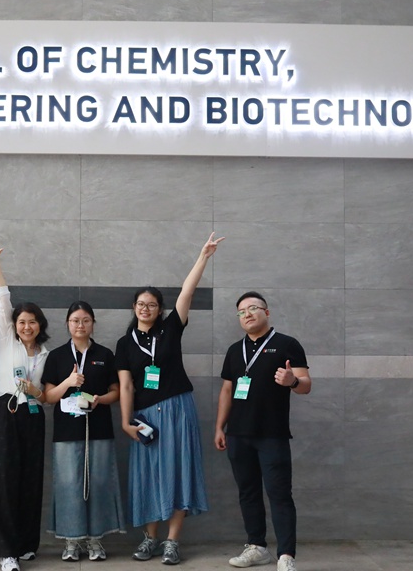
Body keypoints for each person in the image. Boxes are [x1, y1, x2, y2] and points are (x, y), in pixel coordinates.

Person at [115, 232, 225, 565]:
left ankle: (172, 541)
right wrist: (126, 422)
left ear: (160, 309)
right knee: (149, 475)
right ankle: (150, 538)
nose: (145, 308)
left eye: (152, 304)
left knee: (178, 472)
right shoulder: (125, 343)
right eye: (140, 304)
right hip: (145, 417)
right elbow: (126, 386)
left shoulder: (171, 329)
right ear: (134, 308)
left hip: (178, 409)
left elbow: (187, 291)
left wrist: (203, 257)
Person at [215, 292, 311, 571]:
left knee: (279, 493)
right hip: (238, 434)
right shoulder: (235, 350)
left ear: (266, 313)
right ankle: (256, 547)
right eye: (241, 311)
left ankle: (286, 556)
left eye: (253, 308)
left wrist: (292, 381)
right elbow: (227, 390)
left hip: (272, 434)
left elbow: (306, 384)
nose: (247, 314)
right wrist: (220, 427)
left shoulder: (287, 344)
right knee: (248, 492)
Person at [0, 241, 51, 571]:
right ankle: (6, 550)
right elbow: (4, 301)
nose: (26, 326)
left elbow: (45, 394)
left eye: (32, 322)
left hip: (34, 416)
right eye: (22, 321)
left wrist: (37, 391)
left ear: (40, 325)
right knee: (6, 480)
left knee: (30, 479)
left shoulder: (47, 354)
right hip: (7, 412)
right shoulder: (7, 339)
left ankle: (25, 544)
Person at [43, 301, 126, 562]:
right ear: (68, 324)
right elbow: (48, 396)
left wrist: (101, 399)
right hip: (66, 432)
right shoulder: (57, 356)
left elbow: (116, 392)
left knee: (99, 482)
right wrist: (68, 382)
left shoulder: (104, 354)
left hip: (99, 429)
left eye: (85, 320)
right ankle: (71, 540)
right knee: (68, 484)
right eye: (75, 320)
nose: (80, 325)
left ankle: (95, 540)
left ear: (93, 323)